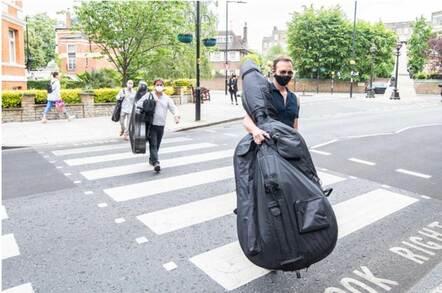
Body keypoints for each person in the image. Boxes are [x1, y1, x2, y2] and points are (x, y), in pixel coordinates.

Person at [243, 56, 300, 144]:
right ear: (273, 72)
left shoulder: (295, 98)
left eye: (290, 72)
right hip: (268, 147)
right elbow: (247, 120)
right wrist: (255, 131)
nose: (286, 75)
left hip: (288, 148)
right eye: (282, 72)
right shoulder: (263, 94)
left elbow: (295, 127)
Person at [136, 79, 180, 172]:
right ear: (154, 86)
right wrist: (151, 102)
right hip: (151, 124)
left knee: (157, 145)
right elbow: (138, 104)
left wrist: (176, 116)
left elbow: (173, 108)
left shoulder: (167, 98)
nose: (159, 86)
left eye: (161, 84)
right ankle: (156, 163)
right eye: (157, 84)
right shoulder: (149, 95)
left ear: (163, 86)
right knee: (153, 144)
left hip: (161, 125)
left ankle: (152, 159)